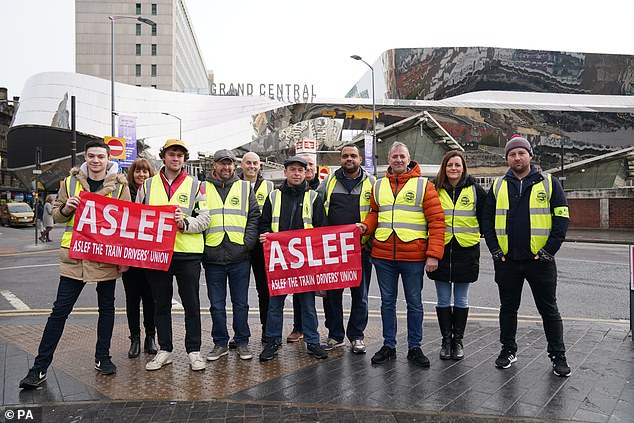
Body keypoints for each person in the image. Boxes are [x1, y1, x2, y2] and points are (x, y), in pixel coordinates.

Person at [19, 140, 130, 389]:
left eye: (101, 156)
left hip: (104, 254)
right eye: (91, 156)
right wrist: (67, 208)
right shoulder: (69, 183)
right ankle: (39, 367)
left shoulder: (120, 185)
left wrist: (123, 260)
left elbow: (126, 223)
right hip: (75, 255)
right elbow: (57, 215)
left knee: (107, 309)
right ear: (85, 157)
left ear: (108, 158)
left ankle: (103, 357)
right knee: (59, 311)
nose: (96, 161)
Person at [483, 135, 571, 377]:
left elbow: (561, 219)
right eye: (512, 154)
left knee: (549, 310)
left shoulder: (550, 183)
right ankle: (508, 350)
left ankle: (558, 356)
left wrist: (548, 252)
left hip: (539, 262)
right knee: (508, 309)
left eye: (521, 153)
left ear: (530, 155)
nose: (517, 157)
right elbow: (487, 221)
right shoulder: (498, 184)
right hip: (507, 261)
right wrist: (495, 250)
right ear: (507, 159)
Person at [359, 142, 445, 367]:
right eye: (394, 156)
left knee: (414, 303)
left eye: (402, 156)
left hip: (414, 257)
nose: (398, 160)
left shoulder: (424, 185)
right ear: (389, 158)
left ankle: (415, 347)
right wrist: (365, 227)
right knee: (387, 303)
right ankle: (389, 345)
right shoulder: (378, 186)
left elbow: (437, 222)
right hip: (383, 255)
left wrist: (433, 254)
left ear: (409, 159)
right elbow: (374, 214)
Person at [136, 139, 210, 372]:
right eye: (171, 154)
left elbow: (206, 218)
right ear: (164, 157)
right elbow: (137, 218)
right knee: (160, 304)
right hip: (157, 254)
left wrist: (185, 223)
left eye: (179, 155)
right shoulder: (147, 186)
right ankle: (165, 350)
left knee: (192, 305)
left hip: (188, 253)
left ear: (184, 159)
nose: (175, 158)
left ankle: (194, 351)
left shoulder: (197, 185)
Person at [258, 155, 329, 361]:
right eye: (293, 170)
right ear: (285, 172)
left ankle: (313, 342)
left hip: (304, 260)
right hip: (278, 259)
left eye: (300, 170)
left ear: (306, 173)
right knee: (275, 304)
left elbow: (321, 228)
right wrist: (265, 235)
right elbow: (264, 223)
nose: (297, 173)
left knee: (307, 304)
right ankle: (272, 342)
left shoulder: (314, 197)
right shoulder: (273, 197)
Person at [426, 151, 486, 361]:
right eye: (450, 165)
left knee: (461, 297)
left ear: (463, 167)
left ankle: (457, 341)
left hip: (466, 251)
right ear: (444, 167)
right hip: (440, 251)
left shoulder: (476, 190)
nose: (453, 168)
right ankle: (445, 340)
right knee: (443, 298)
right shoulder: (434, 189)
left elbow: (485, 218)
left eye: (457, 165)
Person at [316, 144, 375, 354]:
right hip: (334, 250)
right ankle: (335, 336)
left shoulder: (372, 183)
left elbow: (378, 213)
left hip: (361, 249)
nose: (348, 159)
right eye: (344, 156)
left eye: (353, 156)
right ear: (340, 159)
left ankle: (357, 336)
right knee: (332, 295)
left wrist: (370, 240)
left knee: (360, 295)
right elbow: (315, 204)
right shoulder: (329, 181)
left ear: (360, 159)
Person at [203, 149, 260, 362]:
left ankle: (242, 341)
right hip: (212, 256)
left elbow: (254, 216)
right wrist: (204, 248)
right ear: (214, 165)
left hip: (239, 256)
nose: (226, 167)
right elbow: (196, 217)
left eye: (229, 164)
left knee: (241, 303)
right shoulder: (202, 188)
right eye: (222, 163)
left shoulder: (245, 188)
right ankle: (220, 343)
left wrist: (247, 244)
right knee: (216, 304)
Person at [122, 158, 157, 359]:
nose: (141, 175)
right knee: (132, 300)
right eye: (138, 171)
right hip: (130, 255)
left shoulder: (154, 192)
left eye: (145, 172)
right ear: (132, 174)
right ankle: (135, 337)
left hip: (150, 255)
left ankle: (150, 337)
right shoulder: (124, 192)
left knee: (150, 299)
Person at [283, 152, 321, 343]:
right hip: (285, 253)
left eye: (308, 166)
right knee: (294, 297)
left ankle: (313, 337)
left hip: (309, 254)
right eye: (295, 169)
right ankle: (298, 328)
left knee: (308, 298)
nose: (302, 171)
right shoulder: (282, 192)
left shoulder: (320, 190)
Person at [240, 151, 275, 343]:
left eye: (255, 163)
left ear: (260, 166)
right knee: (240, 294)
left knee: (264, 290)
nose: (252, 166)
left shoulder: (269, 186)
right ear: (242, 165)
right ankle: (240, 334)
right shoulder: (236, 186)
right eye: (248, 163)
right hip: (241, 244)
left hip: (262, 246)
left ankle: (266, 330)